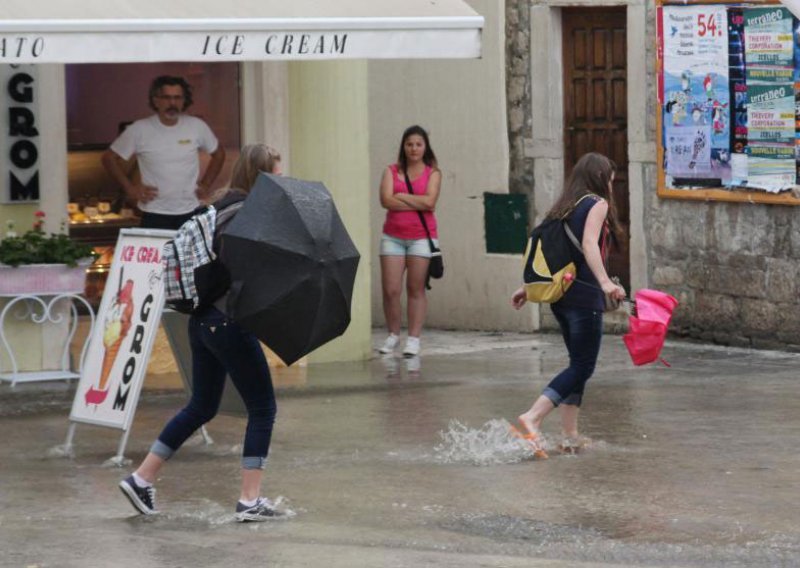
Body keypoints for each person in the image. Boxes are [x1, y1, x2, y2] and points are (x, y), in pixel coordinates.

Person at [118, 143, 284, 522]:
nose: (281, 178)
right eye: (276, 172)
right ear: (263, 176)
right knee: (262, 409)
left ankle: (142, 477)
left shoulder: (219, 207)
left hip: (202, 320)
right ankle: (249, 499)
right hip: (229, 322)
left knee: (202, 405)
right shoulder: (246, 217)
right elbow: (243, 274)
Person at [510, 152, 626, 458]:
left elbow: (554, 253)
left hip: (560, 298)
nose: (612, 186)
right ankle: (532, 417)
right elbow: (588, 245)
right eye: (611, 180)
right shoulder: (597, 204)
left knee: (578, 364)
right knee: (583, 365)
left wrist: (527, 289)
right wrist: (606, 284)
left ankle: (569, 435)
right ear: (602, 178)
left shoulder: (563, 207)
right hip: (584, 296)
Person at [101, 75, 226, 230]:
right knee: (159, 255)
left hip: (190, 210)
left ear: (184, 100)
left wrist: (206, 184)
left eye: (177, 98)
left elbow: (219, 154)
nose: (172, 103)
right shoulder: (139, 129)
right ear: (155, 100)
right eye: (166, 97)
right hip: (153, 212)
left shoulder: (196, 126)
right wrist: (130, 188)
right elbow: (109, 159)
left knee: (187, 255)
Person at [377, 125, 442, 357]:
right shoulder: (391, 171)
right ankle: (393, 334)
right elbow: (385, 200)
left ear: (425, 147)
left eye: (418, 144)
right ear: (403, 147)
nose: (414, 148)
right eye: (409, 144)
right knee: (391, 289)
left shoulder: (433, 173)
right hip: (392, 237)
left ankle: (413, 339)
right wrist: (417, 200)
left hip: (421, 238)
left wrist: (402, 196)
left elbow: (430, 203)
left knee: (415, 288)